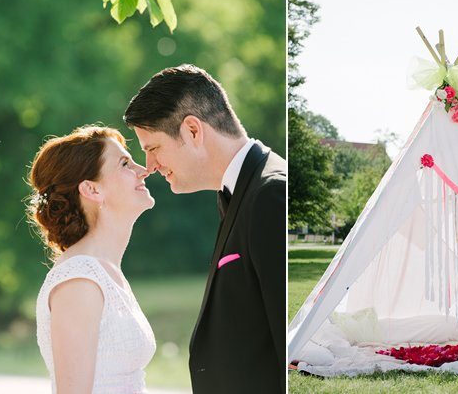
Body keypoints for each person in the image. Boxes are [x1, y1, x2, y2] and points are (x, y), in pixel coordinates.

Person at [124, 64, 286, 393]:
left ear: (193, 131)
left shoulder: (271, 193)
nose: (151, 166)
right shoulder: (239, 192)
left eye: (152, 148)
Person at [29, 125, 156, 393]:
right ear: (92, 190)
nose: (143, 170)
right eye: (125, 163)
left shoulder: (106, 270)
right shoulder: (79, 280)